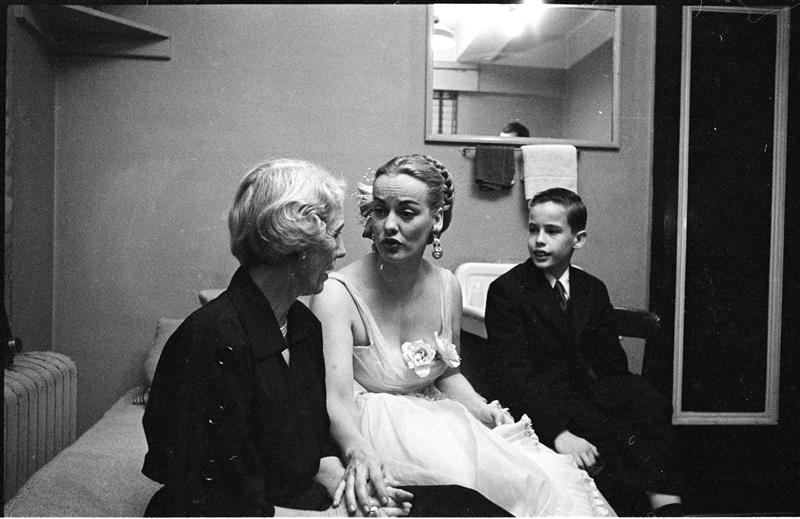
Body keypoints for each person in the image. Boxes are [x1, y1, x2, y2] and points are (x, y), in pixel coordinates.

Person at [141, 158, 506, 517]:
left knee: (466, 506)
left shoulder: (300, 323)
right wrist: (330, 518)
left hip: (297, 498)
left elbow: (313, 447)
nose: (343, 250)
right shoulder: (212, 339)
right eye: (334, 234)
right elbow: (216, 500)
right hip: (243, 512)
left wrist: (359, 494)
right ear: (295, 245)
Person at [310, 154, 615, 517]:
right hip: (369, 430)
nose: (389, 225)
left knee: (538, 481)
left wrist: (481, 408)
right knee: (464, 486)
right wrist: (359, 452)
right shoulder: (336, 293)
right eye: (379, 210)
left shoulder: (446, 286)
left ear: (436, 220)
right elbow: (336, 400)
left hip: (437, 418)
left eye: (406, 212)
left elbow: (448, 373)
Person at [484, 188, 685, 516]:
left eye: (552, 231)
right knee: (611, 434)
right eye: (533, 230)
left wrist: (626, 401)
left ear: (578, 239)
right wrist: (559, 433)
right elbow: (512, 376)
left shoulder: (592, 288)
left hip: (586, 396)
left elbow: (612, 364)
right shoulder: (508, 291)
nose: (539, 240)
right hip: (540, 400)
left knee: (647, 402)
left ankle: (666, 503)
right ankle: (642, 502)